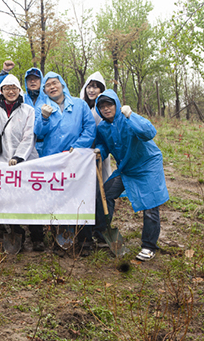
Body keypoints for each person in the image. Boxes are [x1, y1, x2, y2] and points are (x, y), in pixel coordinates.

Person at [94, 90, 167, 261]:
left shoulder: (128, 120)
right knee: (104, 194)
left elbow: (149, 132)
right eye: (102, 106)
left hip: (147, 166)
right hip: (126, 168)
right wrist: (100, 151)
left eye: (109, 105)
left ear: (117, 105)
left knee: (150, 204)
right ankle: (101, 234)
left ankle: (149, 246)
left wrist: (132, 116)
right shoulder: (102, 127)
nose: (106, 109)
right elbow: (103, 145)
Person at [34, 72, 96, 255]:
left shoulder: (79, 104)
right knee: (57, 199)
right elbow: (38, 133)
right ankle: (60, 242)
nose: (52, 87)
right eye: (48, 85)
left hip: (77, 159)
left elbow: (89, 128)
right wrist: (44, 118)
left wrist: (77, 148)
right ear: (44, 90)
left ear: (62, 84)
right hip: (52, 160)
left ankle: (84, 241)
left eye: (55, 83)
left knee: (81, 197)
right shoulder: (42, 107)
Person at [0, 75, 43, 250]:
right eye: (7, 88)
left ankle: (37, 236)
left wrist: (19, 157)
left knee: (30, 199)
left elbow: (29, 136)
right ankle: (17, 233)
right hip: (2, 161)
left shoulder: (28, 110)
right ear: (1, 91)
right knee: (10, 199)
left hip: (25, 161)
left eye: (14, 88)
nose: (11, 91)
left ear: (19, 90)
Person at [79, 71, 112, 181]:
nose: (91, 91)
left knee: (100, 175)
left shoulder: (103, 108)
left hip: (99, 147)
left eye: (95, 87)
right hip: (84, 147)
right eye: (89, 87)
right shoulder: (83, 106)